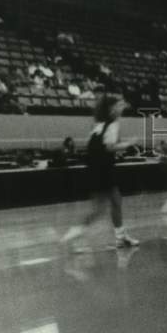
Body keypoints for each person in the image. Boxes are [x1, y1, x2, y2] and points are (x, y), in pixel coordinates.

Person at [60, 94, 140, 250]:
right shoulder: (113, 125)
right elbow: (110, 147)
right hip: (103, 169)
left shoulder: (97, 125)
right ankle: (73, 234)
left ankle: (120, 237)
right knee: (102, 208)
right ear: (111, 109)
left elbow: (95, 147)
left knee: (113, 202)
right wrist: (128, 143)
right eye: (119, 105)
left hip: (95, 168)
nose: (122, 107)